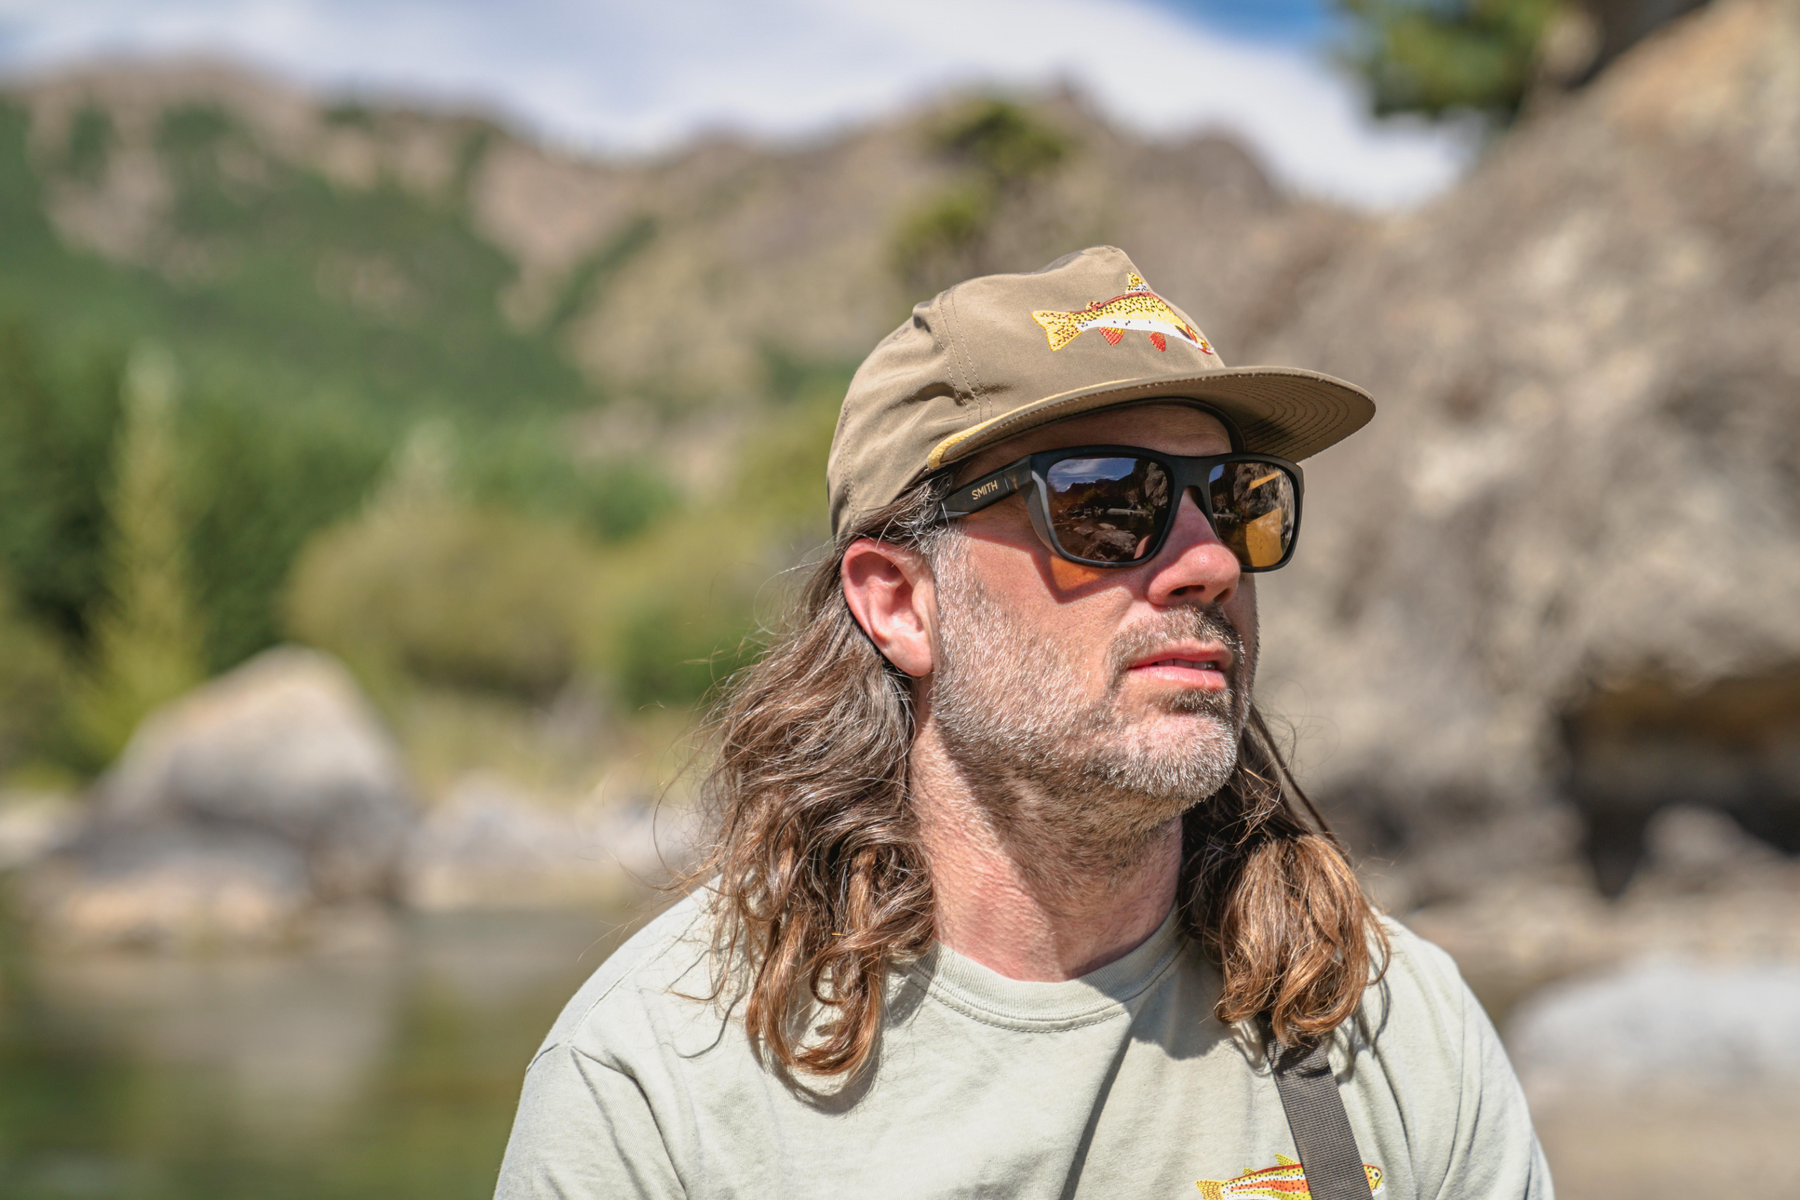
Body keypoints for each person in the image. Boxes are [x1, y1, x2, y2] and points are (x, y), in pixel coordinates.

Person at [494, 247, 1552, 1199]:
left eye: (1232, 501)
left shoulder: (1391, 1027)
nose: (1213, 562)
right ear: (902, 601)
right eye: (1105, 503)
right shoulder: (658, 1086)